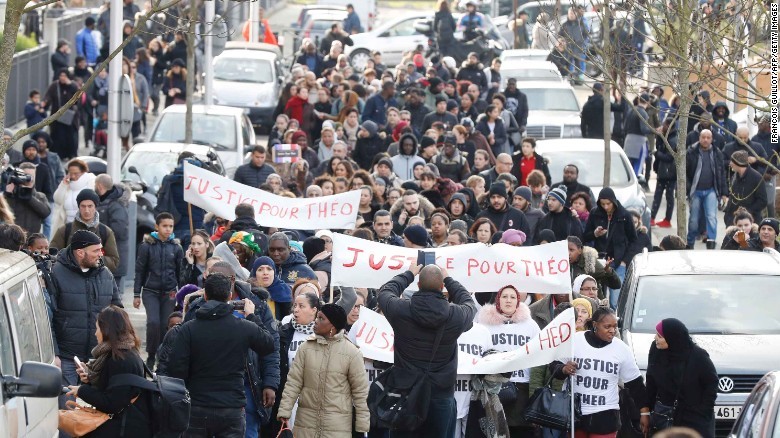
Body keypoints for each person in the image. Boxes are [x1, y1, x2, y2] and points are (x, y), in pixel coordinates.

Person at [168, 273, 274, 437]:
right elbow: (268, 344)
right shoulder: (244, 327)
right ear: (229, 295)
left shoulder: (189, 329)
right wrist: (252, 316)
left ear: (205, 295)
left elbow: (176, 369)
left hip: (198, 405)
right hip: (231, 408)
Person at [377, 264, 477, 437]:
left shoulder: (401, 310)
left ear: (418, 285)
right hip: (441, 394)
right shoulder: (456, 315)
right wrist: (449, 279)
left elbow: (385, 292)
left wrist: (409, 273)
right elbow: (468, 302)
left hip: (406, 394)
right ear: (442, 287)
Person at [554, 307, 650, 437]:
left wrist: (644, 412)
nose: (612, 330)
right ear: (595, 325)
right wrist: (563, 369)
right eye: (607, 326)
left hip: (606, 415)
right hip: (574, 412)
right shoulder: (575, 341)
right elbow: (554, 366)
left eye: (615, 326)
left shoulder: (621, 349)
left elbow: (635, 384)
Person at [277, 302, 370, 437]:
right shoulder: (305, 348)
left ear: (332, 325)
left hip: (337, 427)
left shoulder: (352, 353)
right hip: (305, 425)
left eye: (321, 319)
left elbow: (360, 392)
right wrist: (285, 411)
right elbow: (293, 382)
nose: (316, 321)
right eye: (317, 317)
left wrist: (362, 425)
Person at [50, 230, 122, 395]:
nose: (101, 254)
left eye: (101, 250)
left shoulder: (106, 274)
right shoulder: (56, 274)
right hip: (67, 356)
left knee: (98, 412)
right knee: (67, 409)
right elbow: (48, 318)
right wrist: (54, 353)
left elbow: (117, 312)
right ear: (80, 252)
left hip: (98, 358)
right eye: (96, 251)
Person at [64, 306, 152, 437]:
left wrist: (81, 391)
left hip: (123, 429)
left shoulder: (121, 360)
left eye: (97, 328)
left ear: (107, 330)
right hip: (124, 424)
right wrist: (89, 379)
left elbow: (112, 404)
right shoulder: (122, 352)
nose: (95, 333)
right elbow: (111, 389)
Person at [476, 285, 540, 436]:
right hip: (493, 387)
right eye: (504, 296)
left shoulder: (530, 324)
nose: (508, 300)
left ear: (518, 300)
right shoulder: (484, 324)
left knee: (521, 430)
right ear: (497, 299)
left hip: (522, 386)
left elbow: (539, 354)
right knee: (496, 431)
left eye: (512, 297)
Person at [646, 318, 718, 437]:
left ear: (672, 338)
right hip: (663, 415)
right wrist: (647, 410)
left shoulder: (698, 356)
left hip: (693, 417)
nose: (655, 338)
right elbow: (651, 380)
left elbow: (711, 383)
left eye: (660, 336)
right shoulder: (656, 350)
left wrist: (703, 411)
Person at [133, 212, 184, 369]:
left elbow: (179, 272)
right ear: (157, 226)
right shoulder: (147, 246)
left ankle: (163, 354)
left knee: (165, 324)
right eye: (165, 226)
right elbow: (140, 270)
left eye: (171, 226)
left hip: (169, 292)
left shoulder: (176, 247)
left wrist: (181, 294)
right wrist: (136, 294)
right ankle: (151, 353)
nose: (168, 229)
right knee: (153, 322)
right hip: (150, 290)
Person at [583, 187, 636, 308]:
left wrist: (624, 261)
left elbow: (633, 240)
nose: (606, 207)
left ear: (614, 202)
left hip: (618, 261)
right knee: (598, 297)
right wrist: (595, 234)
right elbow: (585, 236)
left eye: (608, 203)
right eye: (603, 204)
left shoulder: (624, 215)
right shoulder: (595, 213)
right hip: (600, 260)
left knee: (615, 300)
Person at [51, 188, 121, 274]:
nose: (86, 210)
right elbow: (52, 256)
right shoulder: (65, 230)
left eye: (90, 206)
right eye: (83, 206)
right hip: (70, 278)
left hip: (96, 280)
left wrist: (92, 259)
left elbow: (114, 262)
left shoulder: (105, 232)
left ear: (95, 207)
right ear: (79, 207)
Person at [685, 129, 727, 249]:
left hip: (711, 190)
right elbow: (684, 172)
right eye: (703, 137)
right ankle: (690, 243)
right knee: (693, 219)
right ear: (699, 138)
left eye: (708, 137)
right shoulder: (691, 151)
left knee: (711, 217)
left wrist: (724, 192)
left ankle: (711, 242)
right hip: (695, 191)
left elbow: (721, 173)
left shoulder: (716, 152)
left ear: (712, 139)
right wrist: (687, 189)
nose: (706, 140)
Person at [95, 174, 131, 287]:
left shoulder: (115, 205)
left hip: (113, 257)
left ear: (100, 186)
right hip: (107, 257)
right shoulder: (105, 202)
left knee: (113, 295)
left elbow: (119, 231)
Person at [4, 162, 51, 234]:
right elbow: (3, 213)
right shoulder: (12, 195)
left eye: (32, 176)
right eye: (27, 176)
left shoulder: (40, 196)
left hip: (32, 240)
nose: (30, 179)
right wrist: (7, 195)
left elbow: (46, 213)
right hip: (13, 238)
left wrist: (29, 198)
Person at [44, 69, 80, 159]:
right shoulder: (55, 86)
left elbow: (77, 100)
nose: (62, 78)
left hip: (70, 117)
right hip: (57, 117)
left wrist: (70, 86)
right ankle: (59, 155)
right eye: (61, 76)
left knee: (71, 137)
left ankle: (71, 154)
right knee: (58, 137)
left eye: (64, 76)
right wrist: (44, 103)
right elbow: (48, 97)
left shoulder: (73, 86)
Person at [724, 150, 767, 226]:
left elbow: (763, 201)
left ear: (738, 163)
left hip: (750, 222)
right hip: (734, 222)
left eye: (732, 161)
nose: (730, 164)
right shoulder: (734, 176)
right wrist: (727, 217)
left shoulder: (756, 178)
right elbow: (732, 198)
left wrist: (747, 211)